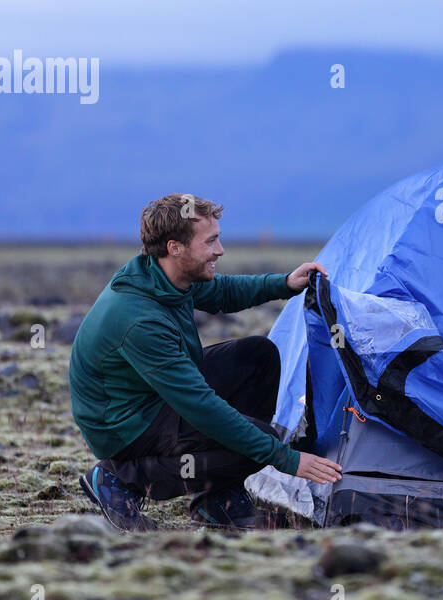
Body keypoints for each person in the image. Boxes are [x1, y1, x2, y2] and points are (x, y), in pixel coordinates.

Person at [68, 193, 342, 531]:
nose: (220, 250)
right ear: (175, 247)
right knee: (251, 444)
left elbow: (222, 292)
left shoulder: (165, 277)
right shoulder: (139, 319)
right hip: (123, 425)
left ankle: (216, 499)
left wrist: (284, 283)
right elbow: (201, 407)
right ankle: (121, 478)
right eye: (210, 241)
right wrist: (285, 458)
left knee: (258, 356)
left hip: (150, 396)